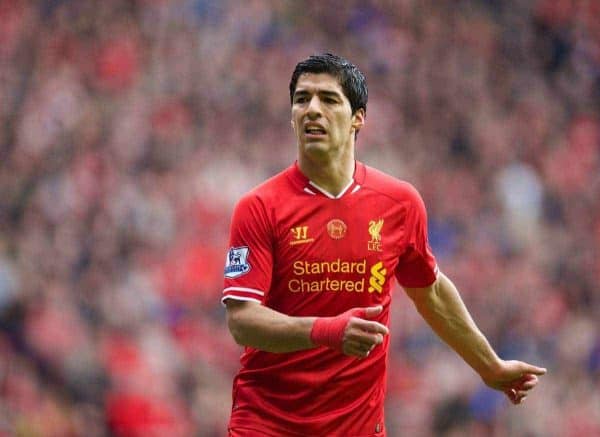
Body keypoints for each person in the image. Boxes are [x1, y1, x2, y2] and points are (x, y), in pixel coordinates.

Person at [221, 53, 546, 437]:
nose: (311, 109)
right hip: (267, 426)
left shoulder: (399, 203)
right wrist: (325, 330)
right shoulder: (259, 207)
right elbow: (242, 322)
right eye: (301, 99)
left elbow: (432, 292)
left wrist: (489, 366)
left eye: (328, 99)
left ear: (358, 117)